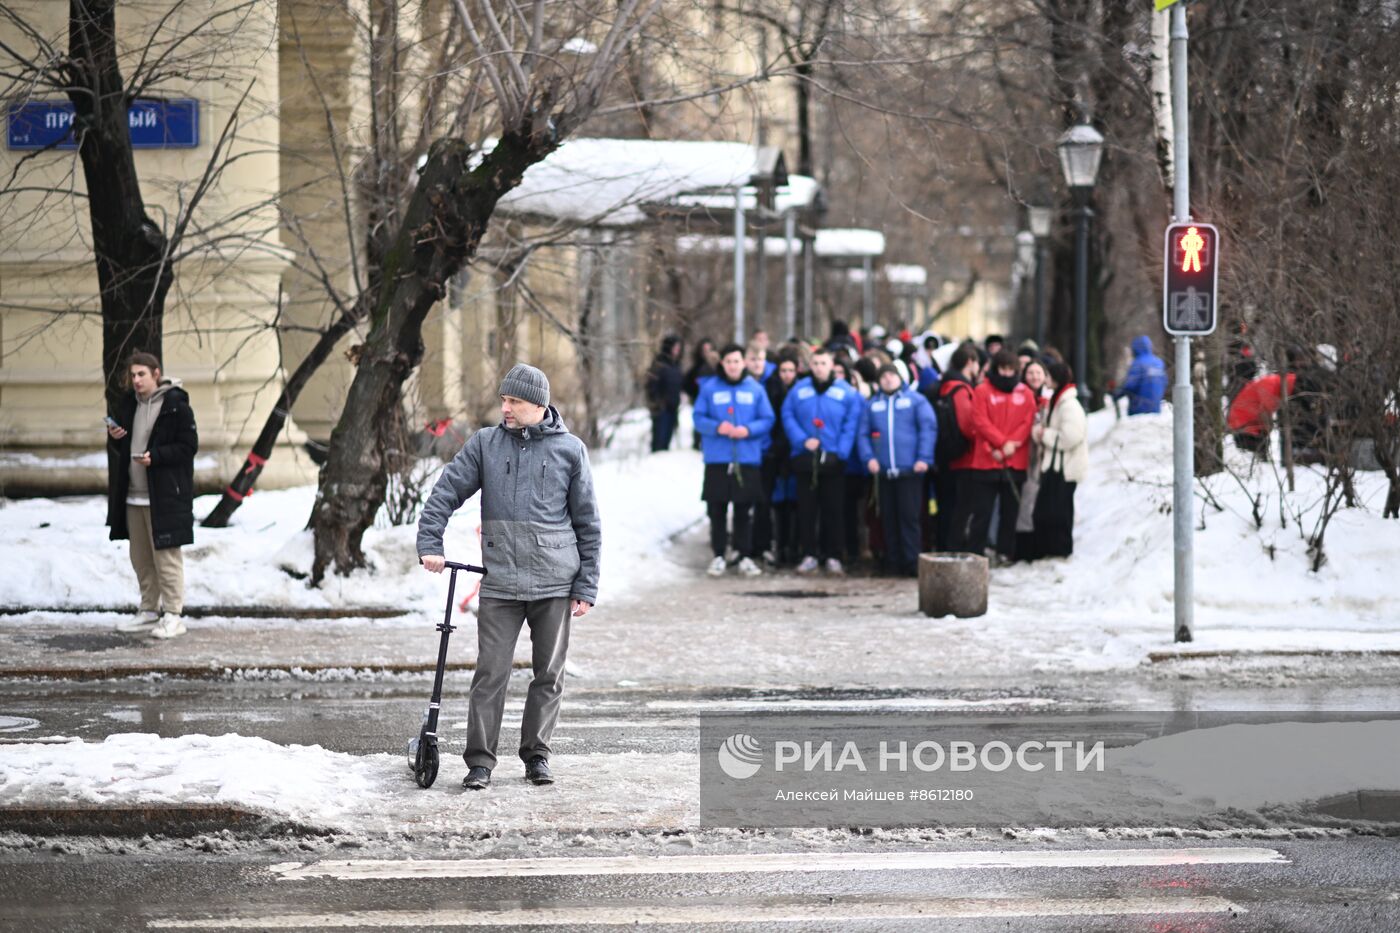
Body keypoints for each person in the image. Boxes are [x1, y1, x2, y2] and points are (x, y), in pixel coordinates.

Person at [417, 363, 601, 790]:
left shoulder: (570, 450)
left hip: (555, 582)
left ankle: (537, 756)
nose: (506, 408)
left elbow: (588, 522)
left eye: (514, 401)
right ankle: (480, 762)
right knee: (490, 674)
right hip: (500, 581)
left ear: (539, 404)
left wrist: (586, 585)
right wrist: (431, 542)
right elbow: (446, 491)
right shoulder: (485, 444)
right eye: (503, 400)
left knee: (548, 675)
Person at [106, 352, 199, 639]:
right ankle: (148, 610)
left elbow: (189, 446)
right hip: (133, 495)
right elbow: (123, 445)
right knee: (141, 558)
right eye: (132, 375)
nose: (135, 380)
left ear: (156, 374)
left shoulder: (176, 405)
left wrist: (155, 457)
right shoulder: (129, 404)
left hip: (165, 496)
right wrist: (115, 435)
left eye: (141, 374)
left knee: (167, 558)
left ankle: (173, 615)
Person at [693, 344, 775, 578]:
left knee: (744, 508)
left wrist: (748, 430)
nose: (733, 366)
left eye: (737, 361)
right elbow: (698, 418)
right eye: (728, 361)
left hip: (747, 457)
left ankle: (744, 554)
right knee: (716, 508)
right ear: (723, 364)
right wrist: (717, 427)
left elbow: (767, 419)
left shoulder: (755, 389)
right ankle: (719, 554)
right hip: (718, 458)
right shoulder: (709, 388)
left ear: (743, 363)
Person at [782, 347, 863, 575]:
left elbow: (851, 423)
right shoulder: (799, 390)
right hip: (805, 458)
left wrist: (841, 452)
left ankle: (834, 554)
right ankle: (809, 553)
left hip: (833, 460)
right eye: (815, 364)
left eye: (823, 363)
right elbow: (787, 416)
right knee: (807, 509)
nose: (819, 368)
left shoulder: (845, 392)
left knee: (833, 509)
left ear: (831, 366)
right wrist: (801, 440)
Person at [955, 349, 1037, 565]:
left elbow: (1027, 422)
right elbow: (979, 421)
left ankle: (1005, 551)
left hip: (1014, 460)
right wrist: (1001, 444)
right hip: (987, 460)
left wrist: (1012, 445)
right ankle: (976, 552)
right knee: (982, 512)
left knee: (1010, 513)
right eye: (1003, 369)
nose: (1007, 374)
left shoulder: (1025, 393)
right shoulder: (982, 391)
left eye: (1011, 370)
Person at [858, 364, 936, 577]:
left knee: (909, 518)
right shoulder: (873, 404)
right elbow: (863, 434)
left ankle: (911, 562)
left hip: (909, 471)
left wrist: (924, 458)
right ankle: (892, 561)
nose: (888, 380)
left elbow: (927, 429)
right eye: (884, 376)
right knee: (888, 519)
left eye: (892, 375)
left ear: (900, 377)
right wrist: (869, 458)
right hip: (884, 472)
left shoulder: (915, 400)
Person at [1032, 361, 1088, 558]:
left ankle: (1059, 550)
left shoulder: (1069, 405)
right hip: (1057, 466)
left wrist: (1045, 435)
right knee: (1051, 510)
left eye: (1047, 375)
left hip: (1065, 467)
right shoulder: (1058, 400)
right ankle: (1052, 550)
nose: (1045, 379)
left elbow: (1072, 435)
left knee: (1059, 511)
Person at [933, 344, 979, 551]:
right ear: (970, 362)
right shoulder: (961, 389)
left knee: (948, 504)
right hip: (964, 457)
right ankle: (953, 548)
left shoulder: (944, 386)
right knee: (959, 507)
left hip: (948, 456)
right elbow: (967, 425)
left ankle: (945, 544)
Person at [758, 352, 800, 565]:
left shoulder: (800, 390)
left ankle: (792, 547)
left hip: (794, 450)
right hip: (775, 451)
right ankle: (777, 545)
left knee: (794, 502)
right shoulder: (770, 389)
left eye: (790, 370)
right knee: (776, 501)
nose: (786, 375)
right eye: (783, 370)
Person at [1014, 359, 1050, 560]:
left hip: (1043, 458)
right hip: (1022, 456)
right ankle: (1023, 547)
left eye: (1039, 373)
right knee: (1024, 501)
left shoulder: (1050, 400)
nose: (1035, 377)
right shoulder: (1018, 396)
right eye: (1031, 373)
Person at [643, 335, 683, 452]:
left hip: (673, 407)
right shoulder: (658, 364)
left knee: (667, 441)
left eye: (678, 347)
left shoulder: (676, 365)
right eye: (675, 347)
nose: (677, 350)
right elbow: (651, 386)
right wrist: (658, 403)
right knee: (659, 441)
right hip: (661, 409)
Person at [1114, 335, 1168, 415]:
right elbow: (1165, 382)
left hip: (1138, 409)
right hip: (1156, 409)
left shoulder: (1138, 364)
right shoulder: (1159, 363)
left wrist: (1117, 394)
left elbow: (1130, 385)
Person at [682, 338, 719, 449]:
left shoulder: (718, 366)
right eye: (704, 350)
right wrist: (694, 393)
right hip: (699, 399)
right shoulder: (696, 368)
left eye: (709, 349)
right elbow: (686, 383)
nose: (707, 353)